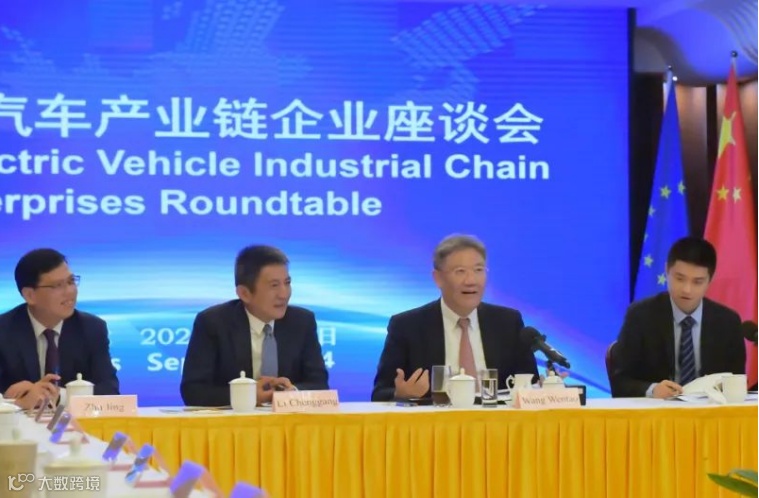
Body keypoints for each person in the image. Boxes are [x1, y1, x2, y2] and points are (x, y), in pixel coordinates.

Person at [371, 234, 538, 402]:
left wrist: (546, 389)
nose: (471, 280)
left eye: (478, 270)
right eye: (460, 271)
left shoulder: (508, 323)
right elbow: (380, 393)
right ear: (438, 278)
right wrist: (401, 395)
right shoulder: (407, 326)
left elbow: (532, 387)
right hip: (436, 419)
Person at [180, 245, 329, 407]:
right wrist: (246, 395)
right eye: (274, 285)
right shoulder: (213, 323)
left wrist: (292, 393)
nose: (284, 294)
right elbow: (193, 391)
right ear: (244, 293)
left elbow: (320, 384)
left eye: (287, 283)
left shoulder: (302, 321)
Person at [610, 237, 745, 398]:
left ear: (710, 280)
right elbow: (619, 381)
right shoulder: (640, 316)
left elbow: (736, 383)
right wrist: (652, 390)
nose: (687, 289)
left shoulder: (728, 323)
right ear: (667, 270)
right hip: (658, 410)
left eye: (697, 282)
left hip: (709, 411)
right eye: (680, 278)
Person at [0, 249, 120, 409]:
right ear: (30, 295)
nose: (70, 292)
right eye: (57, 286)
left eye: (71, 282)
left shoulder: (91, 328)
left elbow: (109, 392)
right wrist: (14, 403)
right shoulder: (4, 330)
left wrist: (58, 396)